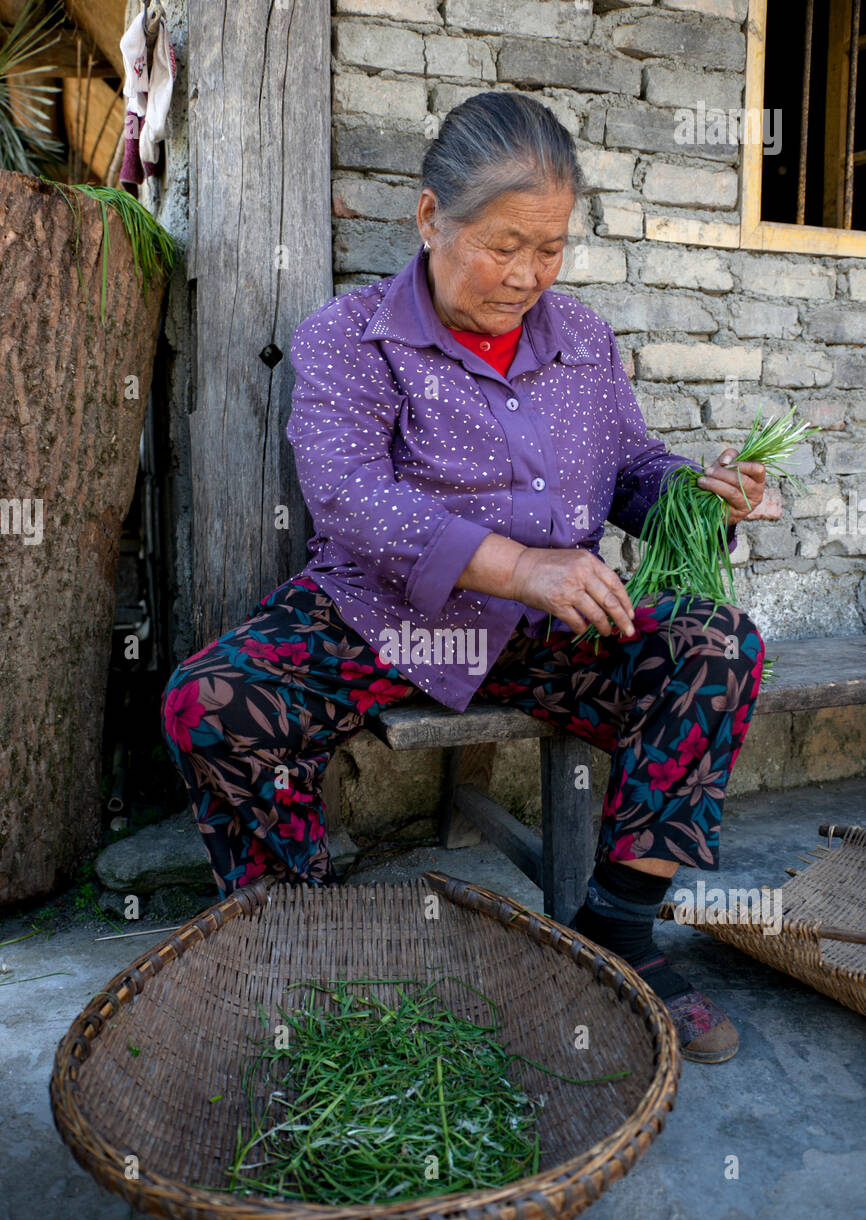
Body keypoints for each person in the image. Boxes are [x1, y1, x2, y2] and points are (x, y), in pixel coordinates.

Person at [161, 92, 773, 1064]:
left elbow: (629, 471)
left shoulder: (579, 338)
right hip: (381, 620)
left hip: (544, 637)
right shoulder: (348, 337)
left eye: (550, 248)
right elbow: (351, 500)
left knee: (715, 645)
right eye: (503, 244)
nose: (528, 274)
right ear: (427, 218)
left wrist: (700, 498)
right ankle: (295, 937)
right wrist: (518, 564)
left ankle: (618, 926)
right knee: (213, 704)